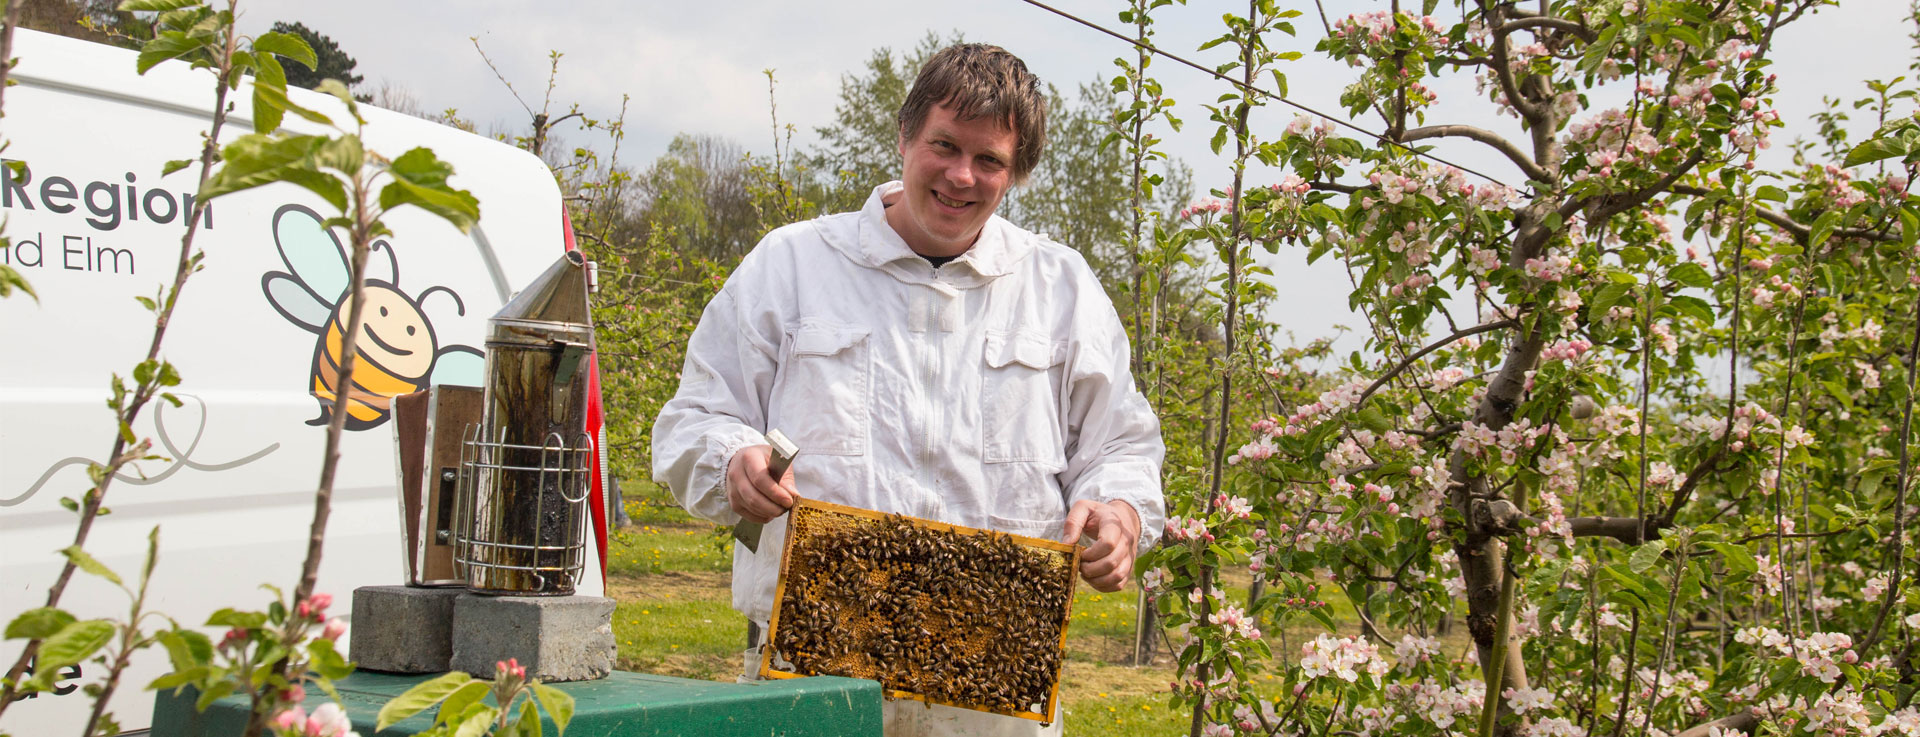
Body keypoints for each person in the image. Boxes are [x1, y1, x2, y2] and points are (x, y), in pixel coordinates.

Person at [652, 42, 1165, 736]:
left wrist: (1121, 512)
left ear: (1015, 173)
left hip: (991, 705)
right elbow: (692, 419)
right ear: (904, 135)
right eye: (944, 146)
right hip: (812, 687)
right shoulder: (793, 264)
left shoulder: (1061, 289)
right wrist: (732, 457)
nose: (961, 175)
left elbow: (1121, 446)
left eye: (989, 160)